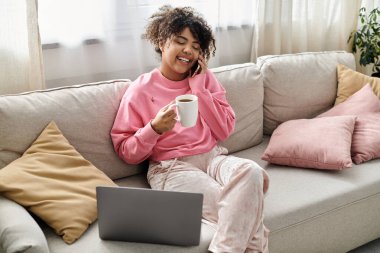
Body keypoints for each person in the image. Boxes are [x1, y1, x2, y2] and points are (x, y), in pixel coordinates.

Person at [111, 5, 269, 253]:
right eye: (180, 41)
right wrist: (153, 129)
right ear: (162, 43)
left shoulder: (204, 79)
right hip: (170, 167)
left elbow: (224, 130)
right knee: (241, 208)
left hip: (213, 157)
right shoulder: (140, 90)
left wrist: (200, 90)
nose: (189, 50)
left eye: (196, 46)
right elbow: (126, 151)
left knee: (252, 172)